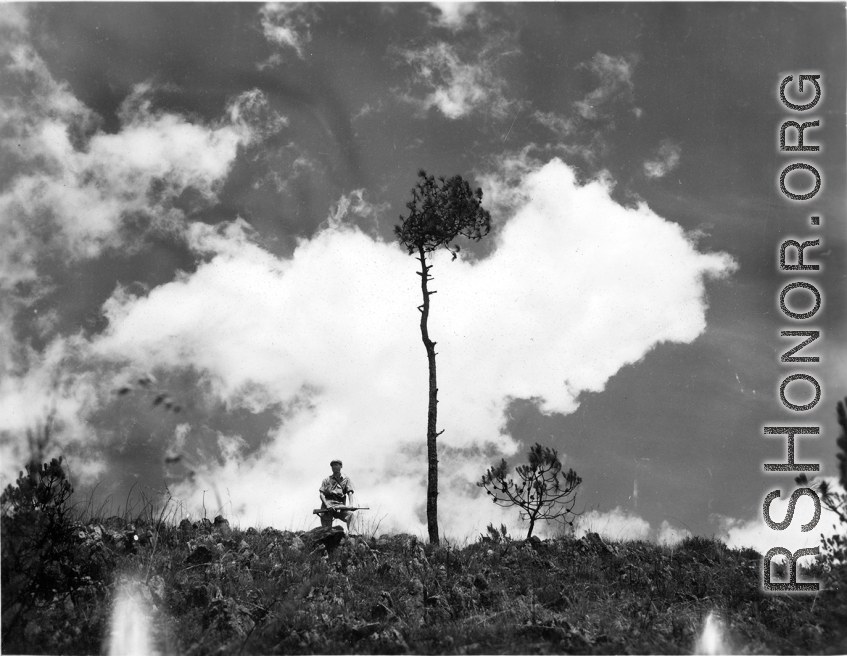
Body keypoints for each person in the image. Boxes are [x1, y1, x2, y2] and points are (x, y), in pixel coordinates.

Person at [318, 459, 357, 532]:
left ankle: (353, 536)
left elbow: (350, 492)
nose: (334, 467)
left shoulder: (346, 480)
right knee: (326, 531)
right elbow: (321, 494)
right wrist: (327, 504)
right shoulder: (326, 480)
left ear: (341, 466)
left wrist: (351, 504)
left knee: (351, 515)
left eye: (336, 465)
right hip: (328, 506)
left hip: (340, 505)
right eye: (332, 466)